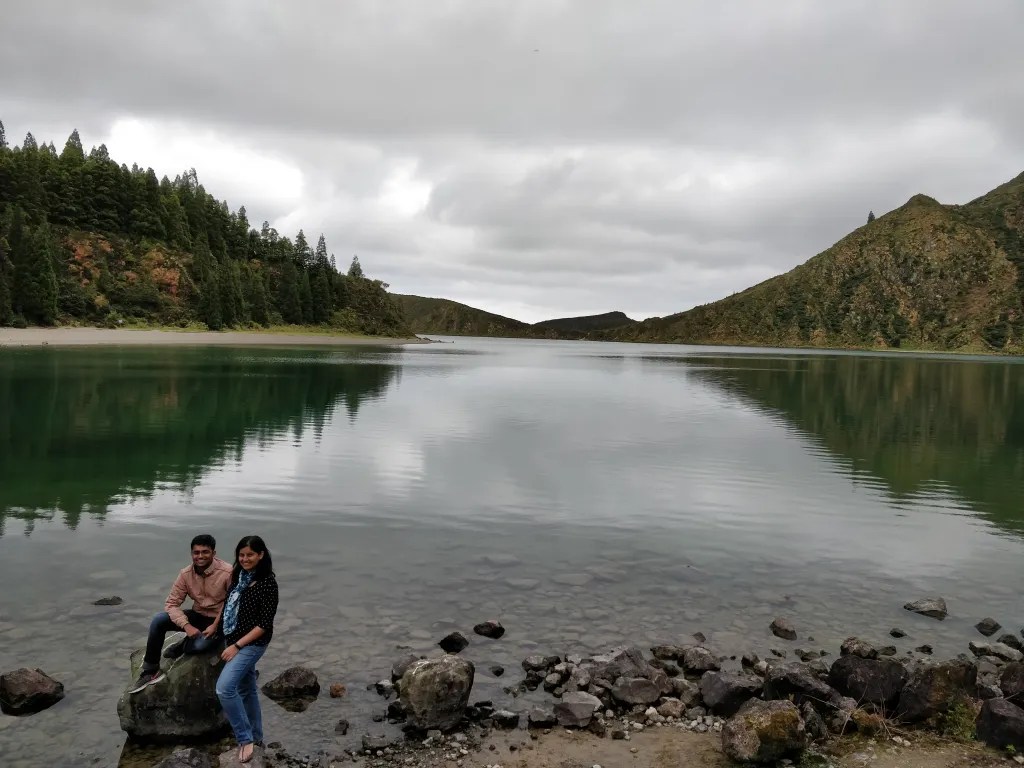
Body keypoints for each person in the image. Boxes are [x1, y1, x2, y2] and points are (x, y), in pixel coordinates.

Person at [128, 534, 233, 694]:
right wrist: (186, 625)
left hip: (220, 620)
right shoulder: (186, 574)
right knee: (159, 620)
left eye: (205, 552)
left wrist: (215, 626)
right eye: (196, 552)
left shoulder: (227, 572)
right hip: (198, 615)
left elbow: (232, 603)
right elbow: (171, 603)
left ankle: (184, 645)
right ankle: (150, 671)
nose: (200, 556)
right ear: (191, 554)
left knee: (198, 646)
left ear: (214, 553)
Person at [216, 535, 279, 764]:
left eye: (250, 555)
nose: (245, 559)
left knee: (224, 689)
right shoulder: (239, 576)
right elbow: (228, 604)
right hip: (231, 637)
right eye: (241, 555)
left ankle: (245, 739)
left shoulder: (268, 583)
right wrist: (216, 626)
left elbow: (264, 625)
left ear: (261, 555)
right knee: (247, 689)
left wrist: (236, 646)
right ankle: (257, 736)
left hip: (251, 644)